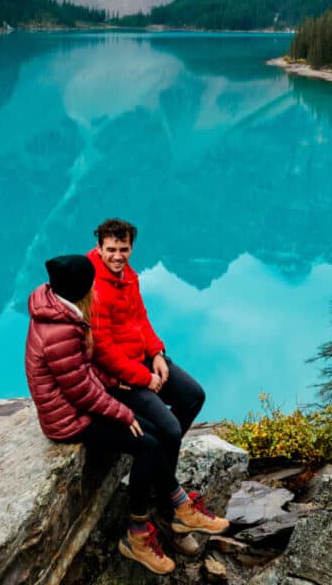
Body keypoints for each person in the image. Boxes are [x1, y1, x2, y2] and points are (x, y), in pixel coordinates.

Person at [27, 253, 194, 575]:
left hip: (76, 404)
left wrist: (114, 381)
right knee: (147, 443)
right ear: (82, 289)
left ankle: (173, 501)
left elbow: (83, 369)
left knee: (156, 433)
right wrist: (121, 412)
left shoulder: (59, 308)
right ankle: (138, 535)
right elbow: (79, 391)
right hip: (68, 419)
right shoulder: (60, 330)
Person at [87, 218, 229, 535]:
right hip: (121, 375)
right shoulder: (94, 286)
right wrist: (142, 376)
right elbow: (102, 349)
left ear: (131, 247)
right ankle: (170, 502)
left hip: (144, 361)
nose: (118, 256)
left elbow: (141, 318)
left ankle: (158, 478)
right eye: (111, 249)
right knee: (168, 430)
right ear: (99, 247)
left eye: (124, 249)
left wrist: (157, 354)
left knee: (193, 396)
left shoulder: (128, 276)